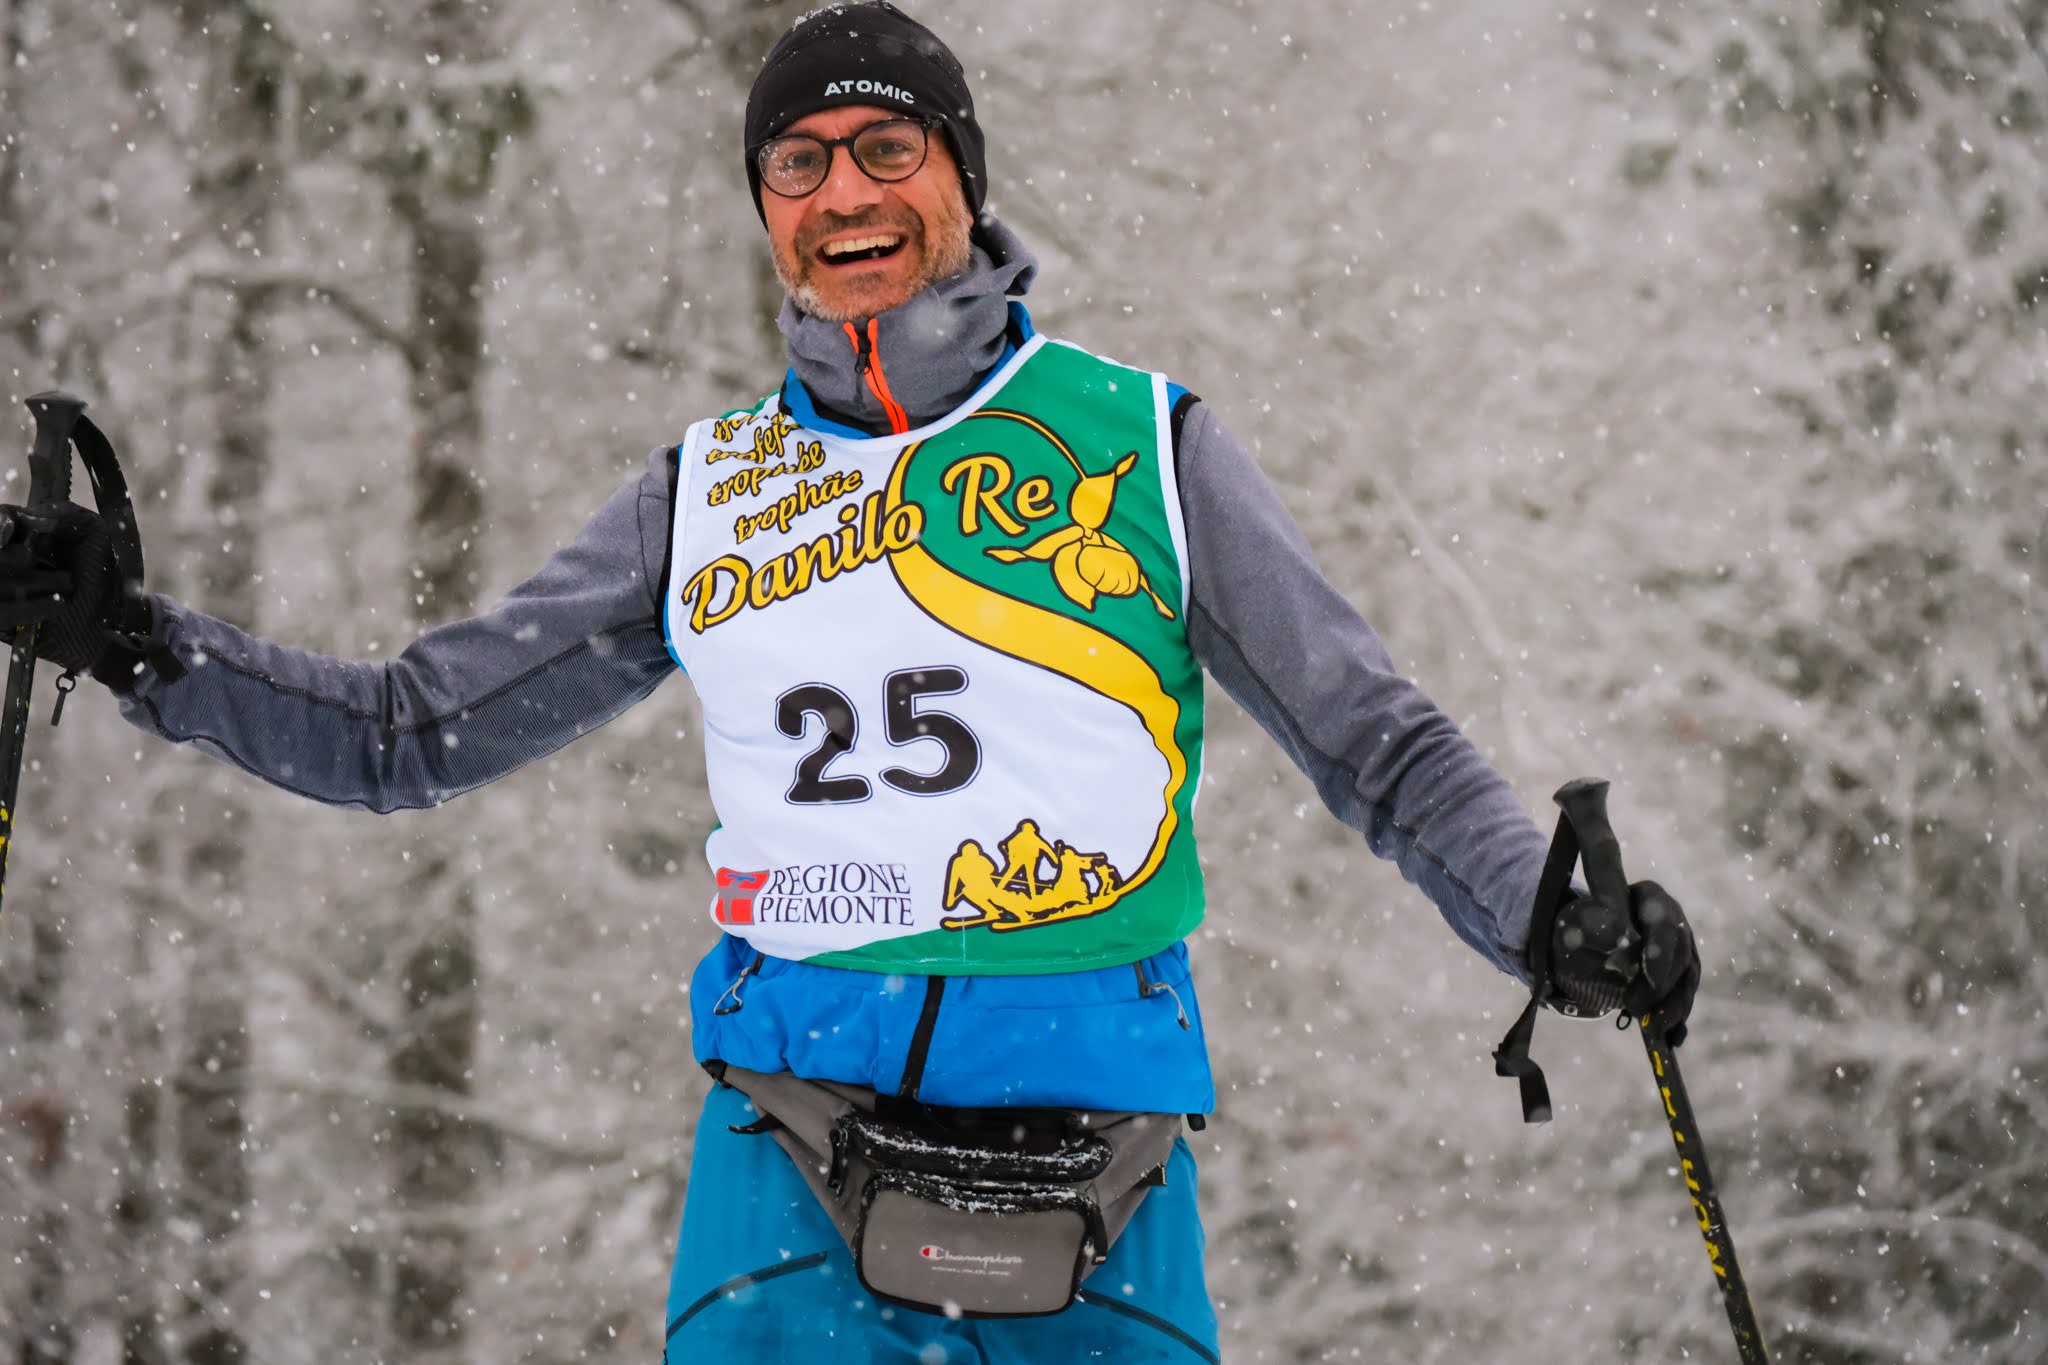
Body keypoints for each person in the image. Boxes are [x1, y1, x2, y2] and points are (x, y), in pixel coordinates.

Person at [0, 4, 1700, 1360]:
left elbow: (1374, 741)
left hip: (1101, 1153)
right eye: (798, 164)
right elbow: (406, 733)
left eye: (888, 148)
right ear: (765, 211)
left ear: (962, 175)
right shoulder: (708, 493)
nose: (844, 194)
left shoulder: (1143, 442)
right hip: (790, 1156)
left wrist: (1542, 915)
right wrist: (136, 644)